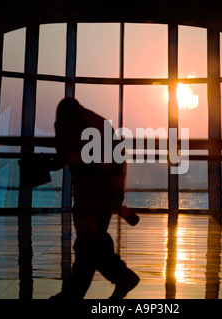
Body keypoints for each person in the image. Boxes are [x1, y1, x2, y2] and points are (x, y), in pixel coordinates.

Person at [49, 97, 139, 300]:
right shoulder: (95, 123)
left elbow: (70, 157)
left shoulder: (73, 124)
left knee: (88, 244)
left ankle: (76, 293)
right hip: (100, 193)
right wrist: (116, 195)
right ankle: (119, 278)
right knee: (91, 242)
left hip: (91, 194)